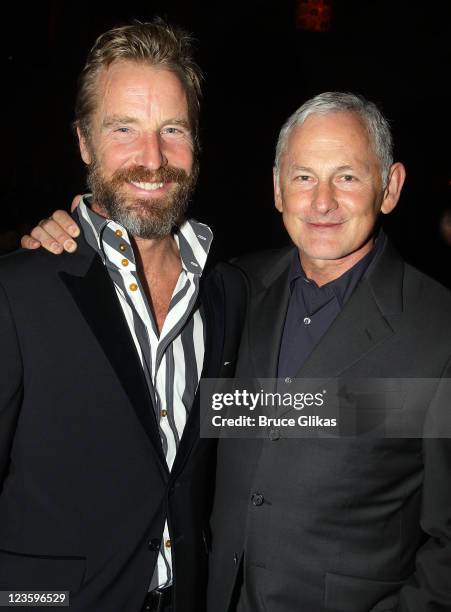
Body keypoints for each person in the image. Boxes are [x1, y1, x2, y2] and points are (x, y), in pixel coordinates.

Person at [21, 93, 451, 610]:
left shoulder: (438, 331)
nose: (321, 202)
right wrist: (75, 237)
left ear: (390, 187)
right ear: (276, 188)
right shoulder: (233, 290)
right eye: (303, 176)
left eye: (348, 177)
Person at [1, 20, 245, 612]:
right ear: (84, 142)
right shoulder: (17, 290)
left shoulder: (229, 292)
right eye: (124, 129)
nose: (153, 158)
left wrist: (414, 408)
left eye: (172, 130)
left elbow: (266, 423)